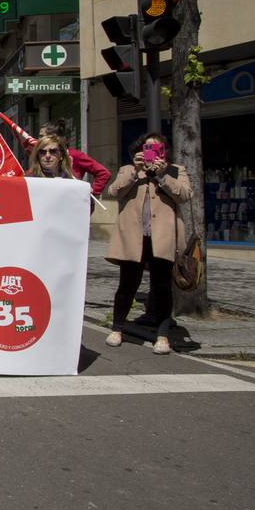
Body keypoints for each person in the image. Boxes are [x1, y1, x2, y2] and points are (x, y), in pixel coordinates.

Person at [105, 133, 194, 354]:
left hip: (162, 238)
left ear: (165, 151)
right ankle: (117, 328)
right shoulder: (129, 170)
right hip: (133, 238)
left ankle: (162, 335)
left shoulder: (175, 170)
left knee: (162, 287)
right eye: (148, 148)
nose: (152, 152)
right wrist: (135, 173)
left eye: (158, 148)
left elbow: (185, 195)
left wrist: (163, 175)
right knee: (127, 285)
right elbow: (113, 191)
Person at [40, 119, 111, 195]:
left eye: (42, 136)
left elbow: (104, 173)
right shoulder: (40, 156)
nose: (38, 140)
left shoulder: (75, 155)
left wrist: (90, 193)